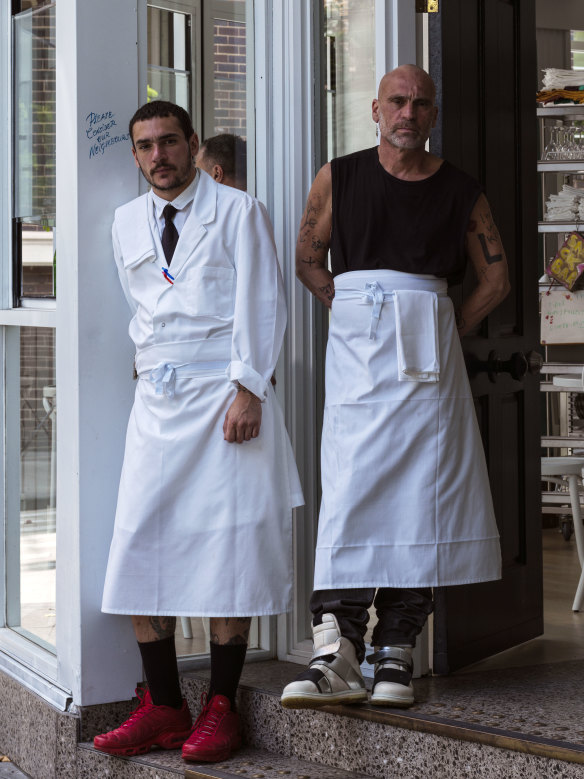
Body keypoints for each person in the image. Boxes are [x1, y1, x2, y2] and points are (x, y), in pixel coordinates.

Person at [281, 65, 509, 710]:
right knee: (351, 489)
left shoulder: (462, 190)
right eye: (398, 102)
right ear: (376, 111)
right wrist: (346, 307)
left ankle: (395, 652)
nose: (409, 113)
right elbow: (307, 257)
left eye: (422, 104)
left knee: (421, 499)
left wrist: (446, 326)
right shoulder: (340, 175)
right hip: (359, 352)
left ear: (434, 115)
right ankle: (337, 648)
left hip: (427, 359)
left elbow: (496, 280)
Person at [94, 100, 302, 763]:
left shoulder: (240, 212)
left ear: (192, 144)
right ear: (134, 154)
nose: (159, 155)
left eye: (169, 142)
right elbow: (145, 307)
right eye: (145, 146)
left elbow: (266, 299)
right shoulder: (125, 223)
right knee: (137, 547)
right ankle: (161, 706)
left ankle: (221, 706)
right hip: (157, 406)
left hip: (224, 401)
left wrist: (249, 385)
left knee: (227, 555)